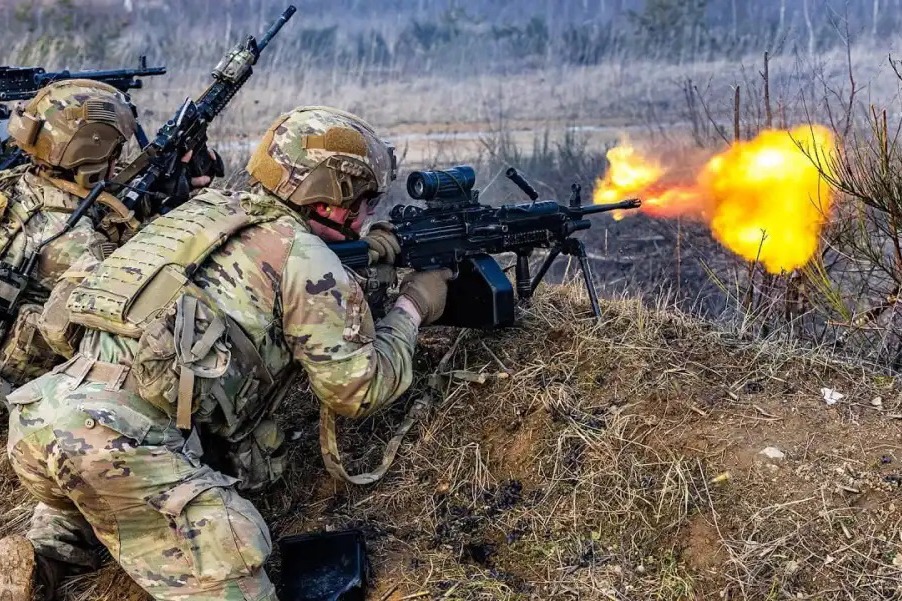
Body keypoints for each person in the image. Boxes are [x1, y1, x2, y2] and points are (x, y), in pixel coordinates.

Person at [0, 105, 450, 601]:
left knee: (95, 502)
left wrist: (376, 251)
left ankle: (42, 556)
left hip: (46, 416)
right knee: (234, 561)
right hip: (121, 442)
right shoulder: (303, 255)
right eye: (366, 202)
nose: (368, 216)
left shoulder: (203, 212)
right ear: (335, 198)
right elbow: (358, 389)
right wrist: (412, 307)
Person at [0, 79, 142, 400]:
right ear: (94, 153)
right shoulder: (80, 244)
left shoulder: (9, 185)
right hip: (16, 397)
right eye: (115, 150)